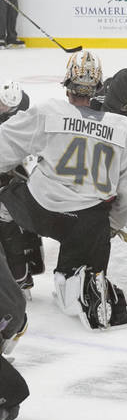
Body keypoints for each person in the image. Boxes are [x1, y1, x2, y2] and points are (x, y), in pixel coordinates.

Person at [0, 52, 127, 330]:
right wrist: (112, 225)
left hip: (40, 208)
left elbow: (5, 145)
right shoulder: (125, 129)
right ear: (99, 88)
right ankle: (78, 281)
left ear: (67, 84)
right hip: (88, 221)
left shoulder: (48, 112)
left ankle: (19, 274)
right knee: (74, 284)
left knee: (4, 208)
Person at [0, 80, 42, 296]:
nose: (1, 107)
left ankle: (21, 276)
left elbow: (28, 162)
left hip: (16, 188)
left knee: (10, 225)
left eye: (4, 106)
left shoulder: (21, 121)